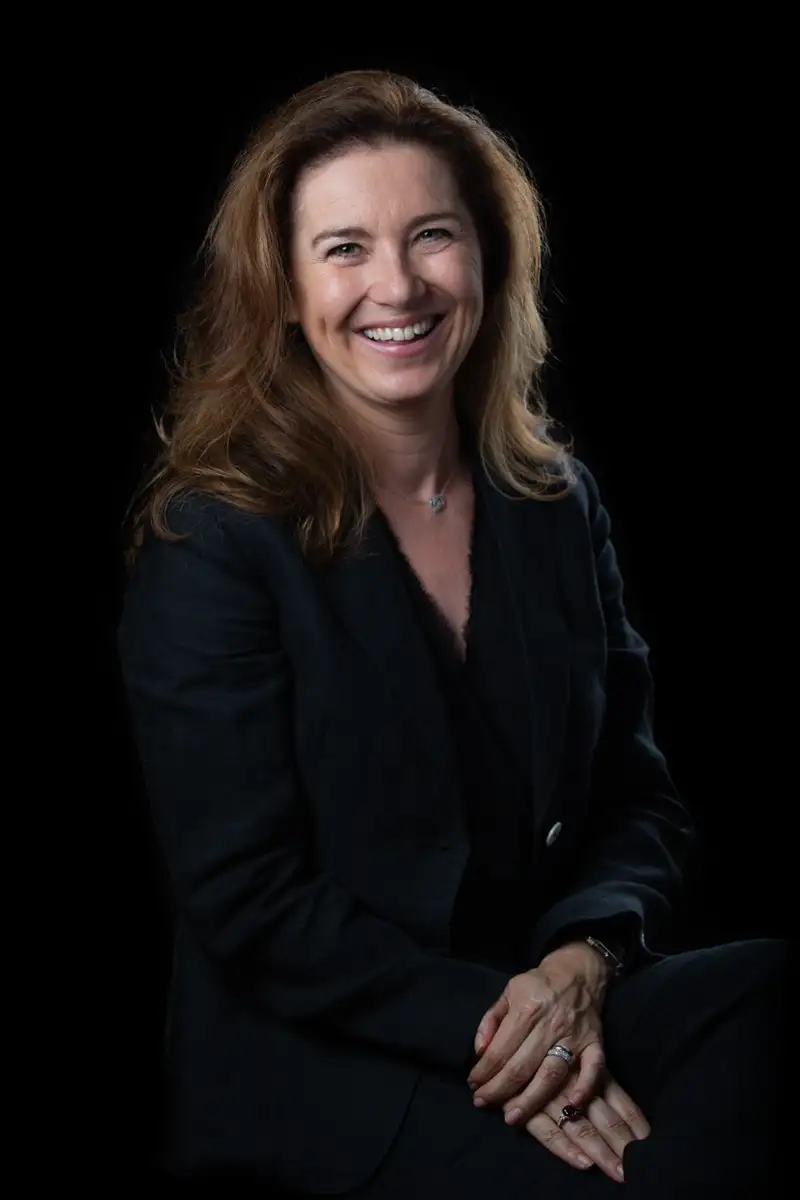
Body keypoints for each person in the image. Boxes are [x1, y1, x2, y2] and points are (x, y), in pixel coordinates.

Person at [117, 70, 788, 1196]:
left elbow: (637, 797)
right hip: (336, 1060)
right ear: (282, 288)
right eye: (342, 248)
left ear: (485, 261)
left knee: (768, 996)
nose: (396, 284)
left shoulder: (552, 505)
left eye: (431, 235)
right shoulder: (214, 540)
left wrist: (582, 962)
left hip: (551, 992)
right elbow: (251, 903)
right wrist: (519, 1033)